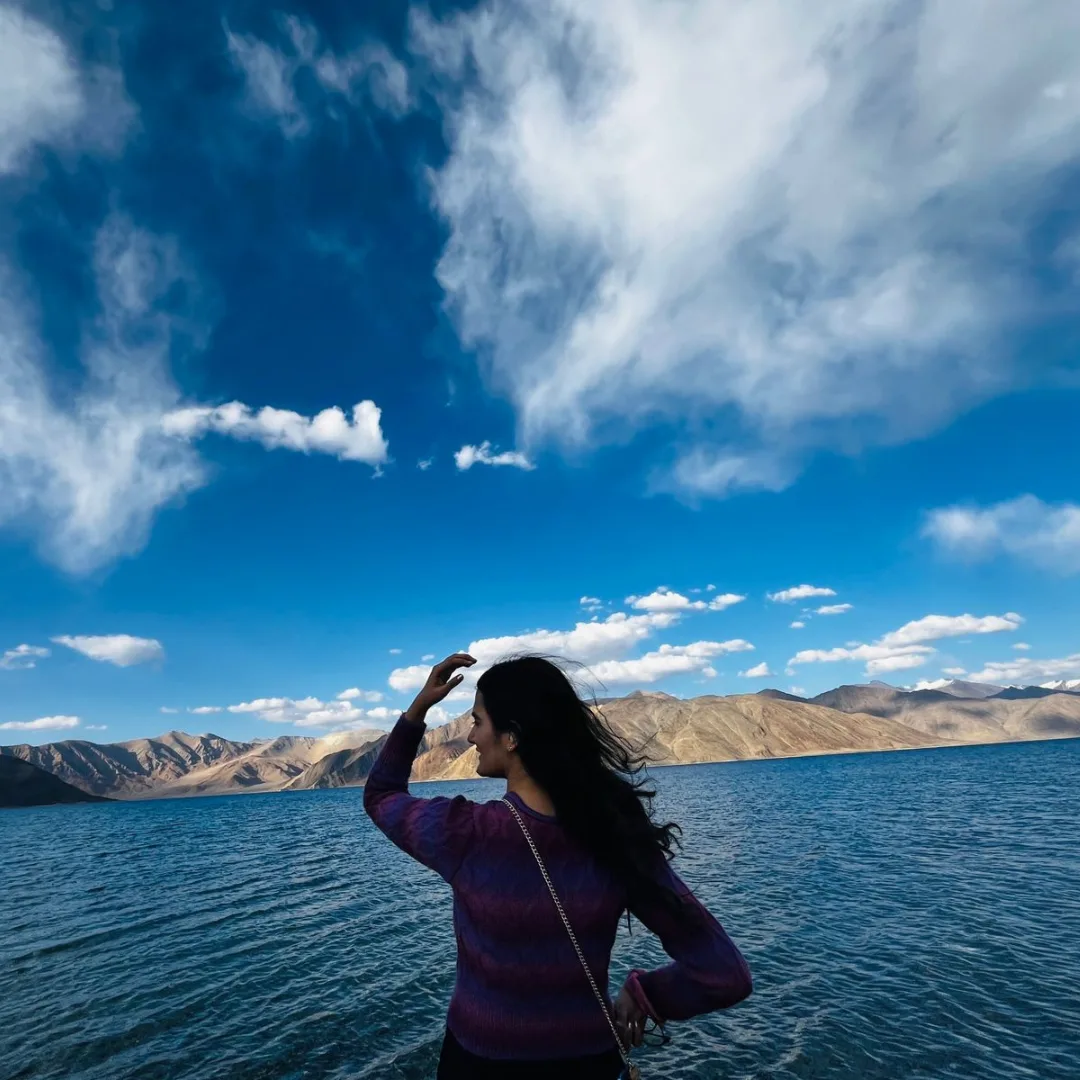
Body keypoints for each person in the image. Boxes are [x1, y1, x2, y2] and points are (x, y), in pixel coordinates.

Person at [364, 653, 753, 1079]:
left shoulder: (466, 834)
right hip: (591, 1065)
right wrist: (646, 994)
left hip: (478, 1066)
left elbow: (382, 795)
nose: (472, 736)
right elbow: (724, 972)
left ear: (511, 737)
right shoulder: (616, 837)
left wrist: (419, 708)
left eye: (477, 721)